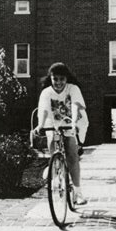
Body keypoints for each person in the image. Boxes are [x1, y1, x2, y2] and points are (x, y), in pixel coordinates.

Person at [33, 62, 88, 205]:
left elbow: (76, 105)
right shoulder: (46, 92)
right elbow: (44, 110)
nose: (58, 82)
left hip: (72, 120)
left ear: (66, 79)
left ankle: (77, 192)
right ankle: (54, 165)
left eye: (61, 79)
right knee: (52, 142)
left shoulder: (73, 89)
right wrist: (40, 125)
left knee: (71, 153)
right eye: (55, 79)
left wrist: (74, 123)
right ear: (50, 78)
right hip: (53, 121)